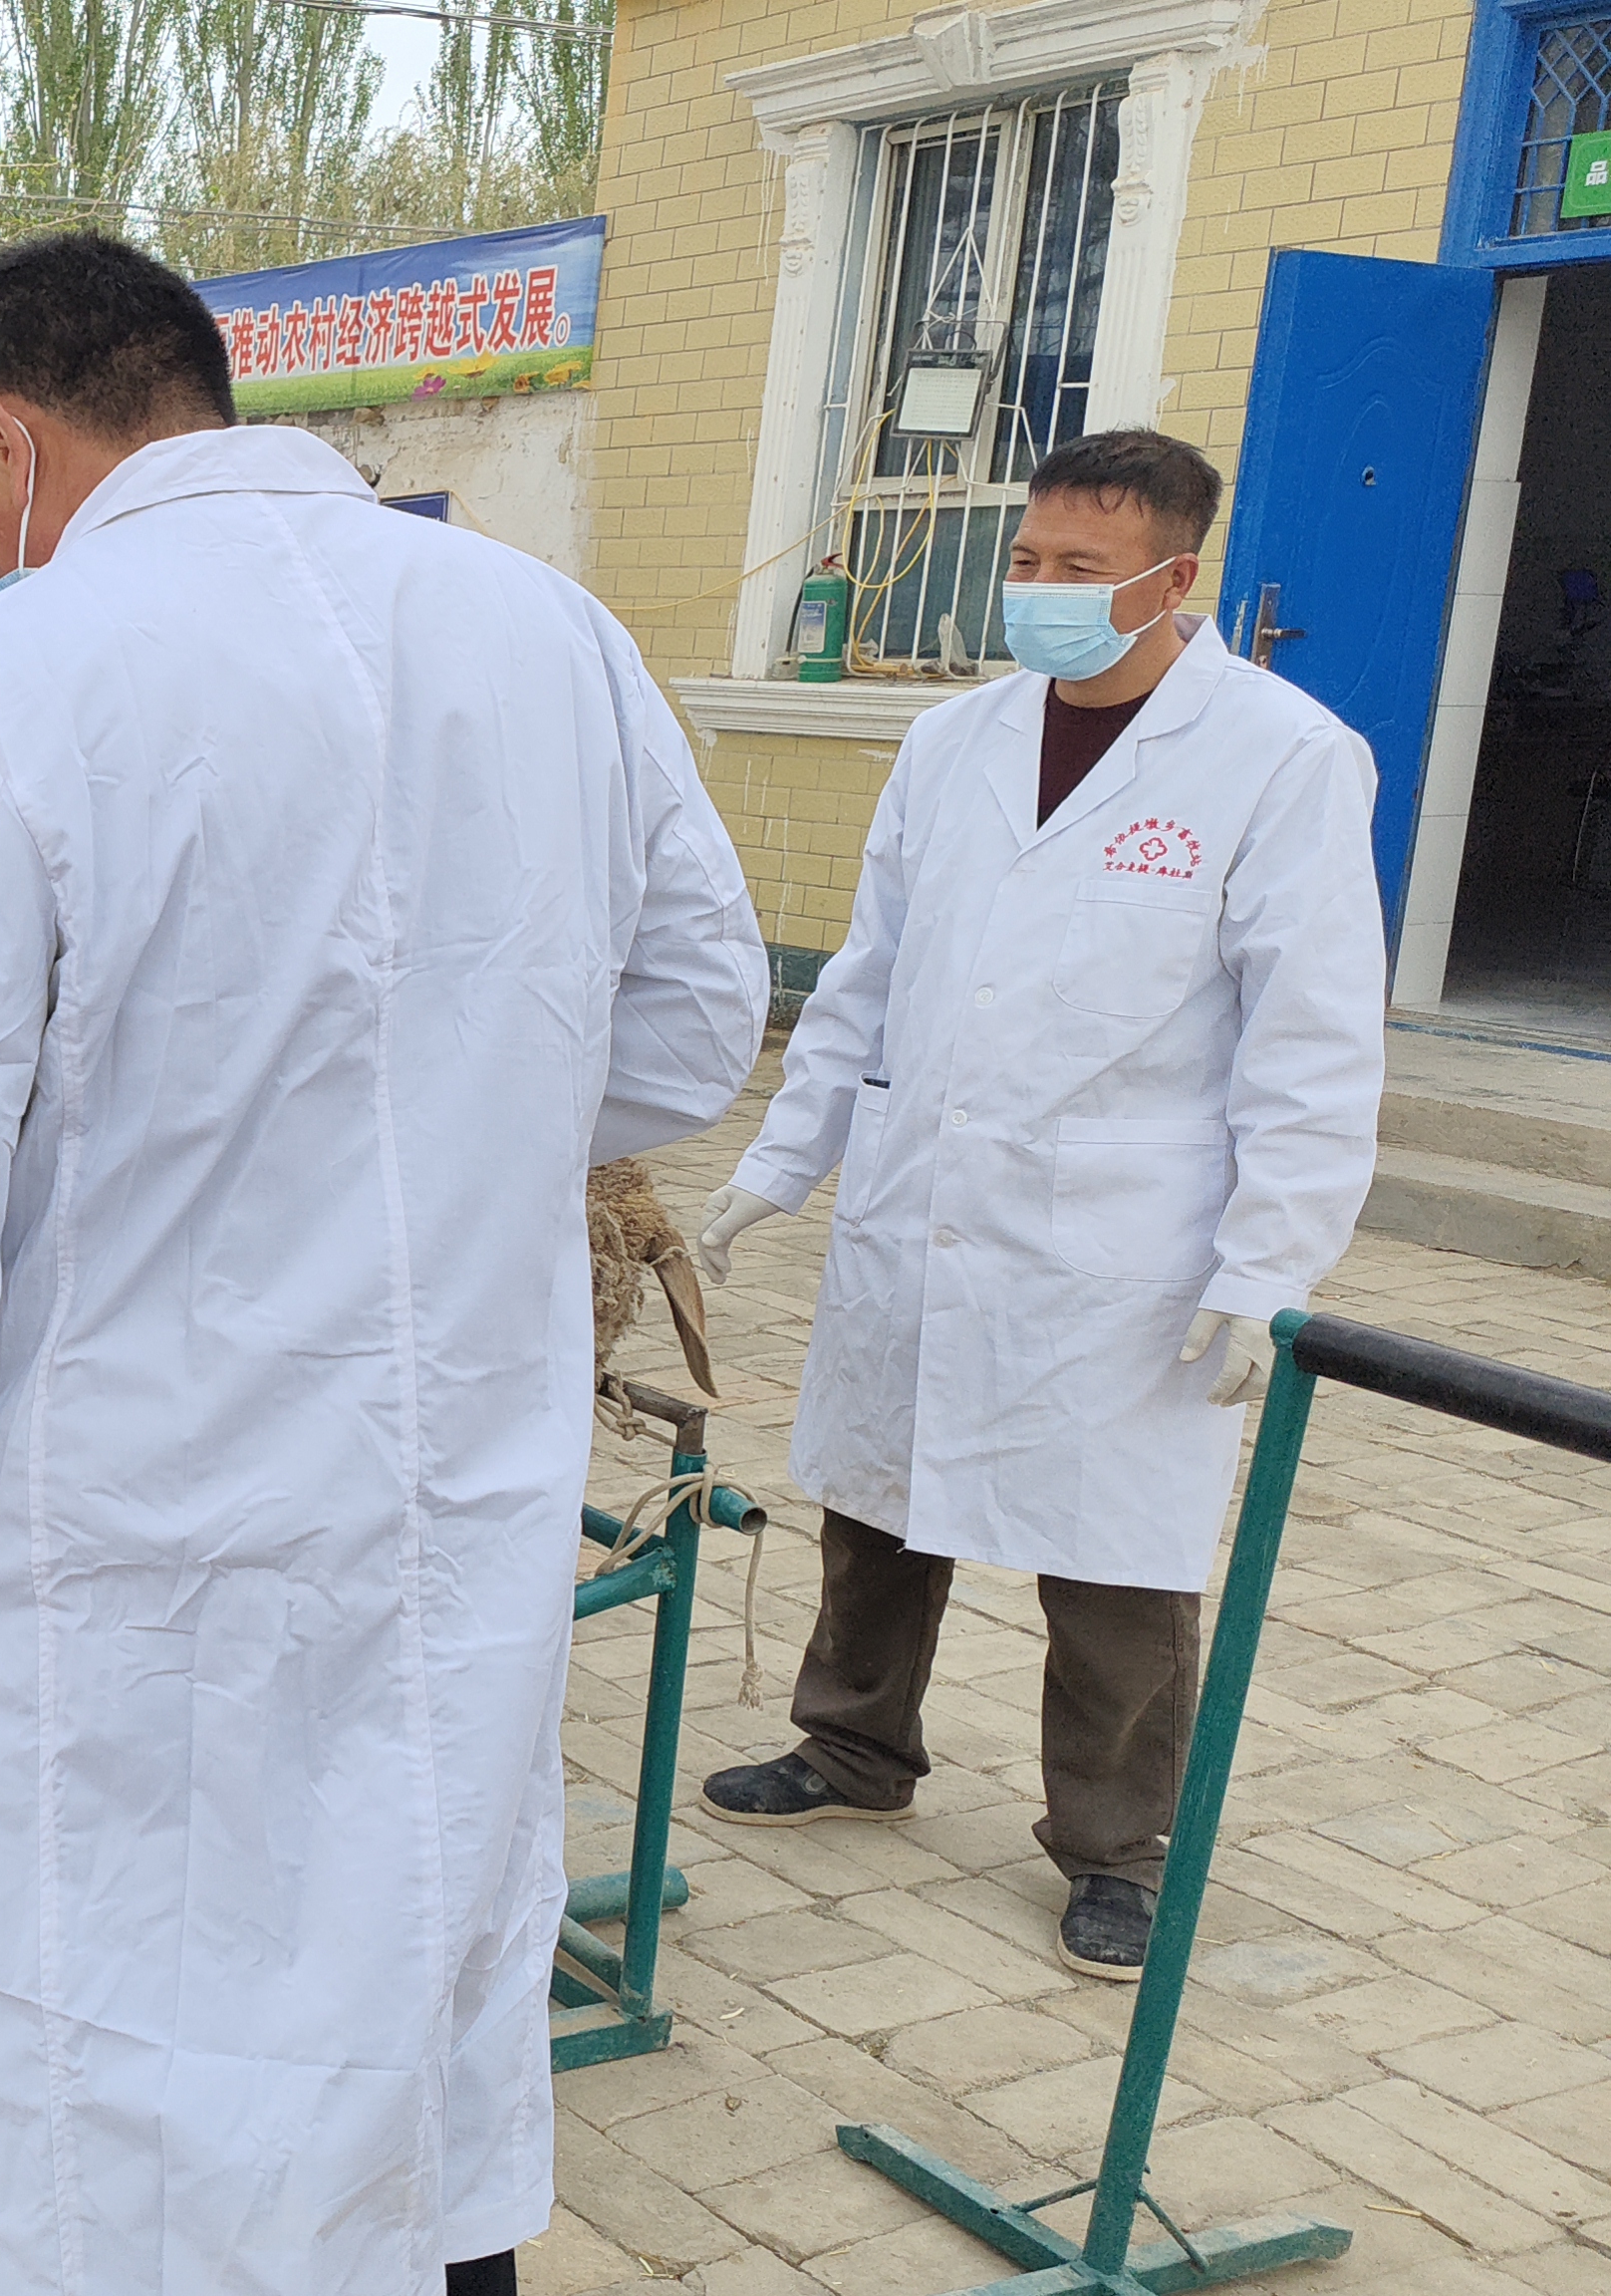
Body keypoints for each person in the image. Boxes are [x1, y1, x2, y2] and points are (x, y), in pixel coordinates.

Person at [0, 233, 765, 2295]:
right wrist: (446, 1113)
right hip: (441, 1502)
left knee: (125, 2091)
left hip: (125, 1543)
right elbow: (690, 1019)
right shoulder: (544, 632)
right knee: (408, 2035)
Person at [689, 428, 1386, 1980]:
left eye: (1081, 567)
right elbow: (865, 982)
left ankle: (1116, 1848)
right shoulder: (955, 742)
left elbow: (1314, 1041)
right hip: (925, 1189)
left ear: (1173, 580)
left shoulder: (1281, 758)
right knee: (878, 1494)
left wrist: (1266, 1264)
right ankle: (854, 1746)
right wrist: (777, 1165)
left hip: (1125, 1235)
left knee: (1118, 1556)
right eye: (1027, 559)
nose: (1041, 591)